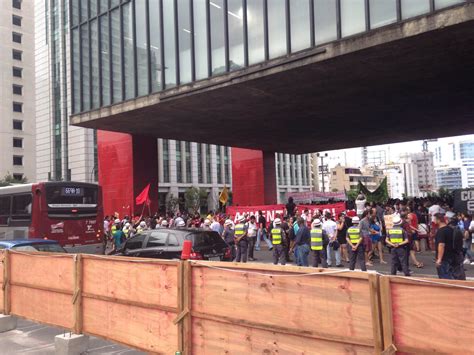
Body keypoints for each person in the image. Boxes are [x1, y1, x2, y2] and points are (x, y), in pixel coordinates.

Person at [434, 212, 463, 280]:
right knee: (452, 275)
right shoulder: (451, 229)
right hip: (452, 255)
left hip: (444, 257)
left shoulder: (441, 231)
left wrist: (439, 259)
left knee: (444, 276)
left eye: (434, 219)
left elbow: (441, 245)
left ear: (438, 220)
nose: (433, 220)